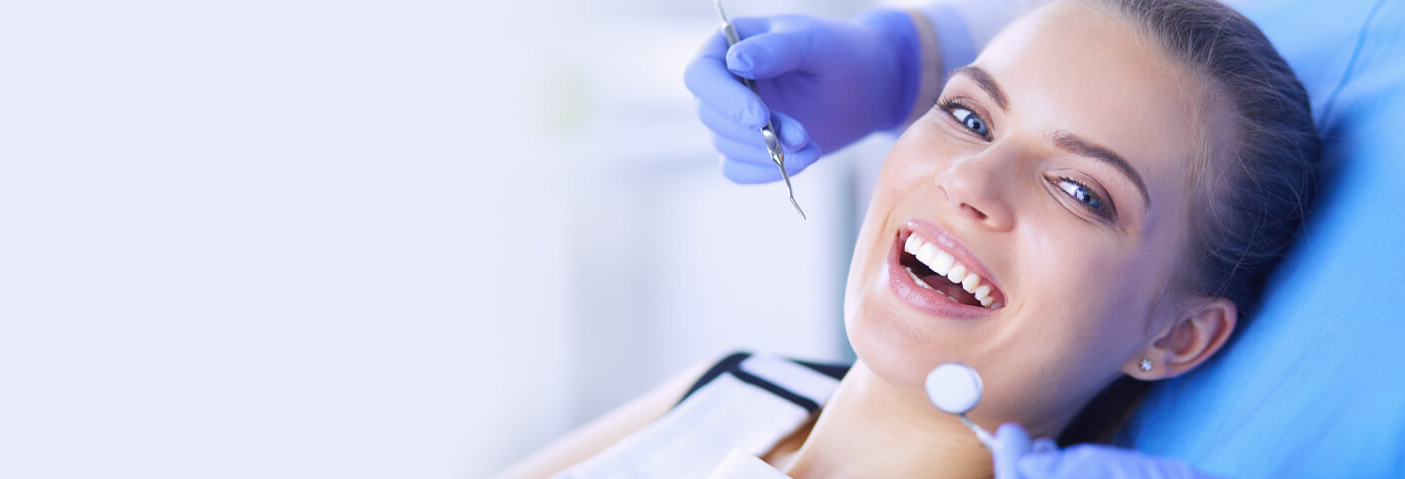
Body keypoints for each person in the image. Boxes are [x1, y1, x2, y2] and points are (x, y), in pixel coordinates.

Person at [499, 0, 1319, 476]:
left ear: (1175, 336)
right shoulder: (743, 383)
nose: (969, 180)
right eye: (967, 115)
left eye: (1080, 191)